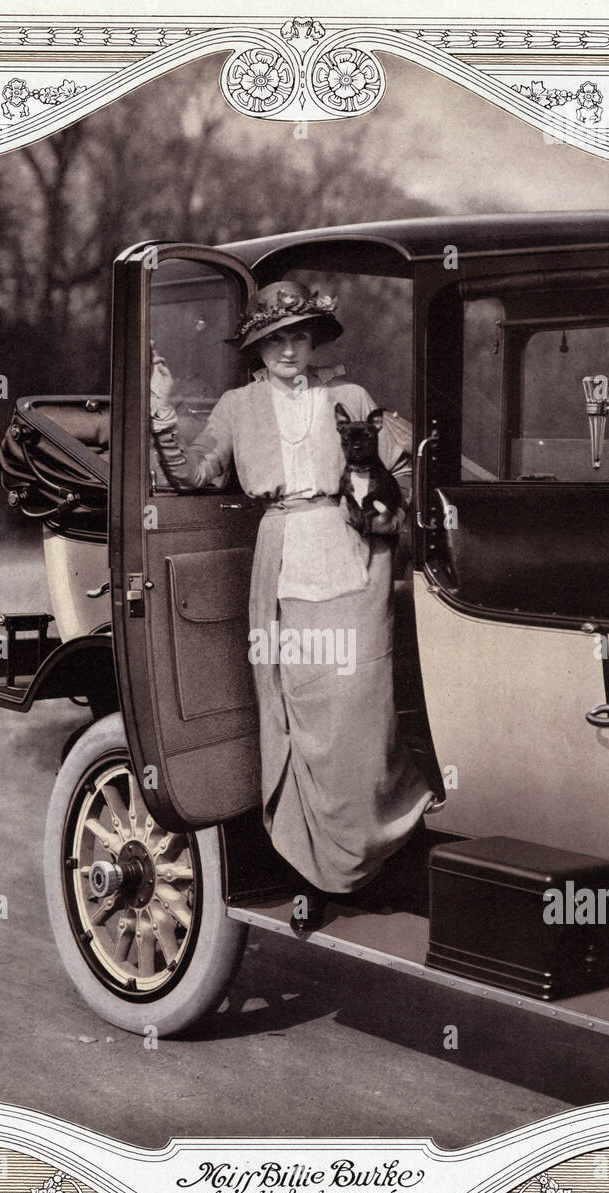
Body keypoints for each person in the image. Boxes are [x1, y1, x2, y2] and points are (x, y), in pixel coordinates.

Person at [149, 281, 435, 930]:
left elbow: (409, 459)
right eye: (276, 338)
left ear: (312, 341)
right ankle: (312, 874)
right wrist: (162, 414)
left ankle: (375, 861)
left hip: (357, 562)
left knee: (363, 714)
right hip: (282, 562)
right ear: (258, 346)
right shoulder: (235, 406)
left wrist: (391, 513)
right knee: (302, 715)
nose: (288, 348)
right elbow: (193, 476)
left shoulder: (351, 397)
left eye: (298, 336)